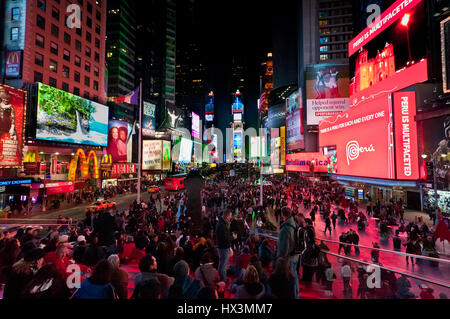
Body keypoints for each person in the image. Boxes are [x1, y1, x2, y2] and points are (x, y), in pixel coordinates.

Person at [276, 206, 300, 299]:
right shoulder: (294, 224)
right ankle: (296, 295)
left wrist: (279, 259)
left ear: (282, 215)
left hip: (288, 258)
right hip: (295, 256)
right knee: (294, 276)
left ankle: (294, 296)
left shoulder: (285, 229)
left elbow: (283, 247)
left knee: (290, 279)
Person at [215, 210, 232, 282]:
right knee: (224, 265)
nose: (231, 217)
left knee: (221, 263)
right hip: (224, 247)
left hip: (221, 246)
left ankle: (221, 277)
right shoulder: (222, 225)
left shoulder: (220, 223)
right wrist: (232, 237)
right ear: (227, 215)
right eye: (230, 215)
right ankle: (224, 279)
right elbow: (225, 238)